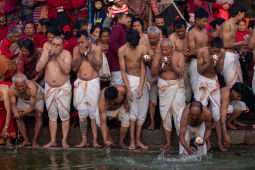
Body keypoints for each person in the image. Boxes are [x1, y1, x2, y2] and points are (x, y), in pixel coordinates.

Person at [36, 36, 72, 148]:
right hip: (49, 88)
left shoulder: (66, 54)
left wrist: (57, 56)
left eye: (58, 45)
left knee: (64, 115)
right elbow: (38, 68)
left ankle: (64, 141)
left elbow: (66, 70)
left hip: (63, 87)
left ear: (62, 46)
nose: (55, 47)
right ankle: (52, 140)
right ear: (51, 44)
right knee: (52, 116)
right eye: (53, 44)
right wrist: (48, 57)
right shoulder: (46, 53)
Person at [151, 38, 186, 151]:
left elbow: (181, 73)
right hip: (164, 87)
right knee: (165, 114)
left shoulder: (179, 56)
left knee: (179, 114)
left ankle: (183, 141)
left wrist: (171, 65)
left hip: (176, 86)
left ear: (172, 48)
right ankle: (168, 142)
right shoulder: (157, 56)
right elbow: (152, 73)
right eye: (162, 50)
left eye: (166, 50)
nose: (164, 52)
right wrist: (159, 64)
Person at [195, 37, 226, 152]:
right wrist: (209, 62)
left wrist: (216, 63)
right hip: (202, 80)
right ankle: (205, 141)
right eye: (215, 51)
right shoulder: (202, 51)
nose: (217, 53)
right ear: (210, 46)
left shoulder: (222, 53)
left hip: (213, 81)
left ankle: (219, 142)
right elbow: (199, 70)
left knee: (216, 113)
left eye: (218, 51)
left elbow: (220, 70)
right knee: (200, 111)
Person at [119, 30, 149, 150]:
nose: (134, 45)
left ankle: (138, 141)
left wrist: (141, 87)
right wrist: (128, 89)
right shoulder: (122, 50)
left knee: (142, 114)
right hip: (129, 81)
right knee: (133, 114)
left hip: (141, 80)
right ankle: (132, 141)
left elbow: (143, 69)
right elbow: (123, 71)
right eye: (132, 43)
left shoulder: (142, 49)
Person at [72, 30, 102, 148]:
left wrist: (88, 54)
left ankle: (95, 141)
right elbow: (74, 68)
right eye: (79, 42)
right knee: (82, 114)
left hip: (93, 84)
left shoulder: (96, 49)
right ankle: (84, 140)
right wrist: (80, 54)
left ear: (88, 40)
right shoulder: (76, 50)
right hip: (80, 84)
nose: (81, 44)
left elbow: (98, 67)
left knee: (94, 114)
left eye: (83, 42)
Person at [9, 74, 44, 147]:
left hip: (37, 99)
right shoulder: (12, 89)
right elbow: (13, 105)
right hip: (23, 99)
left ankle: (34, 140)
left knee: (39, 115)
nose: (21, 88)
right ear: (14, 85)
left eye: (22, 85)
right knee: (18, 117)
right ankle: (26, 140)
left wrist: (23, 113)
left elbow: (31, 107)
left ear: (26, 83)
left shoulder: (32, 88)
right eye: (18, 86)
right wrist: (16, 114)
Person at [220, 2, 246, 87]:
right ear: (239, 13)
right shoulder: (226, 25)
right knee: (232, 87)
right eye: (243, 14)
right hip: (227, 57)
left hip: (233, 55)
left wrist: (243, 48)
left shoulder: (234, 25)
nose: (243, 17)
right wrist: (242, 42)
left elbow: (233, 43)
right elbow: (225, 44)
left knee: (239, 86)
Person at [142, 26, 161, 130]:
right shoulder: (144, 43)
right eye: (150, 38)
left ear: (158, 36)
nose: (152, 40)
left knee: (163, 99)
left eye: (154, 38)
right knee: (152, 100)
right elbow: (142, 56)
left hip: (163, 73)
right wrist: (146, 58)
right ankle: (152, 122)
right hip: (150, 73)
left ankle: (163, 122)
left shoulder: (164, 43)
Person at [187, 8, 209, 93]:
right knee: (197, 90)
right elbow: (192, 51)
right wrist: (207, 51)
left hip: (205, 62)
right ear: (197, 20)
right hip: (195, 63)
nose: (206, 24)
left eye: (207, 21)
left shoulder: (205, 32)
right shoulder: (191, 33)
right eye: (204, 21)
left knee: (206, 91)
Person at [169, 18, 191, 103]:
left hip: (191, 63)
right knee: (182, 87)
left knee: (190, 87)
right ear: (174, 30)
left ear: (185, 28)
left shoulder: (190, 35)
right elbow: (172, 54)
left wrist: (190, 53)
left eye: (182, 31)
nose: (180, 33)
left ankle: (189, 106)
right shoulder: (172, 38)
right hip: (179, 66)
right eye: (178, 31)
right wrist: (182, 54)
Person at [221, 82, 249, 147]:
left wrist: (245, 107)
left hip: (226, 107)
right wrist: (225, 134)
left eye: (240, 96)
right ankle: (225, 123)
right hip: (218, 111)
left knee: (242, 105)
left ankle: (229, 121)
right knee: (230, 108)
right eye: (238, 96)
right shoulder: (226, 94)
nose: (239, 98)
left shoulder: (233, 89)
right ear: (233, 91)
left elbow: (234, 100)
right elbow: (222, 116)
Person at [107, 13, 127, 86]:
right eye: (125, 18)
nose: (127, 20)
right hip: (116, 63)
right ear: (119, 20)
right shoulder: (118, 27)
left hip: (119, 63)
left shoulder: (121, 28)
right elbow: (111, 41)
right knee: (117, 86)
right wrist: (120, 52)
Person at [0, 81, 16, 146]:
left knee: (7, 112)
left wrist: (6, 127)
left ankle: (8, 139)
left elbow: (8, 110)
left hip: (10, 93)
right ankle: (2, 139)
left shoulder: (4, 91)